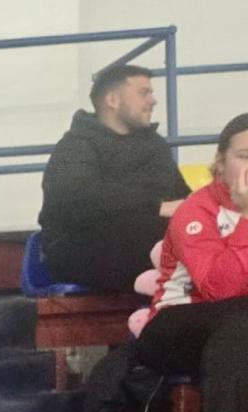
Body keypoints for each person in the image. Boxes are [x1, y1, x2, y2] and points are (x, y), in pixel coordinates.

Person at [135, 112, 248, 412]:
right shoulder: (195, 212)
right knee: (241, 314)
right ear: (220, 163)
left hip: (234, 337)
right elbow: (219, 288)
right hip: (173, 328)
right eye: (244, 156)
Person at [39, 64, 189, 292]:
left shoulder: (155, 145)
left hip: (146, 241)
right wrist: (155, 207)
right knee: (153, 234)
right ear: (112, 100)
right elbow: (79, 199)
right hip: (82, 250)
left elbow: (181, 196)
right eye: (144, 93)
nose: (153, 101)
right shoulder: (75, 146)